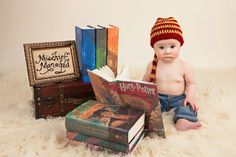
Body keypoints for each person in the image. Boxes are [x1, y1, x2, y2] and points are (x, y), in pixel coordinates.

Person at [142, 17, 201, 131]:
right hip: (158, 97)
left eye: (172, 46)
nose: (167, 51)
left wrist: (190, 96)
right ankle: (147, 123)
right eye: (161, 47)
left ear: (180, 45)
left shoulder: (184, 66)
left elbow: (191, 83)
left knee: (189, 106)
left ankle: (183, 121)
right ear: (154, 48)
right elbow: (145, 81)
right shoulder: (152, 65)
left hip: (178, 98)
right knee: (145, 107)